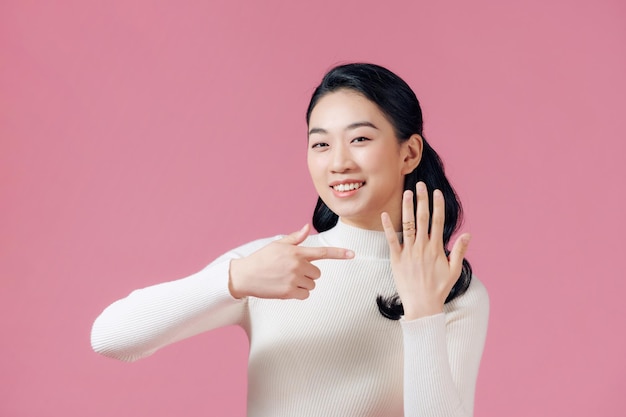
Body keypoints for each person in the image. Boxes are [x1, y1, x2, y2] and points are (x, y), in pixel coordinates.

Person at [91, 63, 489, 417]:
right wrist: (233, 279)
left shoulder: (451, 287)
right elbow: (111, 337)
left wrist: (423, 312)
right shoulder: (274, 263)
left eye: (361, 140)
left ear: (409, 152)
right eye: (320, 144)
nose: (338, 162)